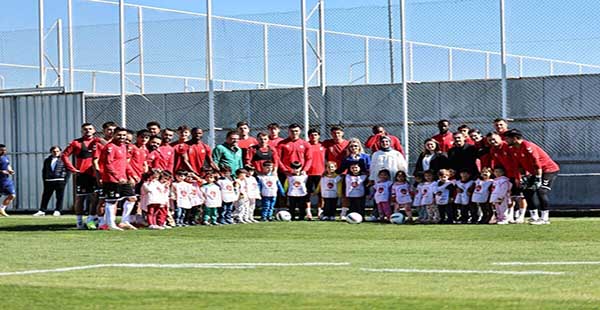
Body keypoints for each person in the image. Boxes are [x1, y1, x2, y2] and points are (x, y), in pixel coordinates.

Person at [504, 129, 560, 225]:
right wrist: (523, 176)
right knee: (527, 191)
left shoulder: (528, 146)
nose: (506, 141)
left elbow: (536, 163)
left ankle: (545, 218)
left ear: (514, 138)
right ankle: (534, 217)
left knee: (541, 190)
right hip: (534, 172)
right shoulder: (513, 149)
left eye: (508, 139)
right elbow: (519, 164)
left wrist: (538, 178)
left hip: (548, 170)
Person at [61, 123, 102, 229]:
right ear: (81, 131)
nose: (88, 131)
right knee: (80, 197)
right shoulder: (76, 143)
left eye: (90, 129)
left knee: (96, 197)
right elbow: (64, 155)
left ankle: (91, 219)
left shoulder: (99, 142)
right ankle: (79, 222)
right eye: (85, 129)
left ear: (94, 130)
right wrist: (72, 169)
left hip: (96, 174)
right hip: (82, 174)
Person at [97, 127, 137, 230]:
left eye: (124, 135)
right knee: (111, 201)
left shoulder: (123, 146)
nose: (122, 137)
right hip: (111, 180)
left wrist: (132, 174)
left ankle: (124, 221)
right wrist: (117, 177)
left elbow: (124, 163)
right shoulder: (110, 147)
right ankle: (111, 224)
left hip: (123, 178)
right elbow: (107, 164)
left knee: (132, 198)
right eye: (119, 135)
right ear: (114, 135)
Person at [486, 131, 527, 223]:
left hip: (517, 174)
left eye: (494, 139)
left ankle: (521, 216)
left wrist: (519, 176)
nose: (492, 142)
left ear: (500, 138)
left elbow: (518, 162)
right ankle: (510, 216)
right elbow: (497, 163)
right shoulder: (493, 149)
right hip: (507, 176)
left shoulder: (508, 147)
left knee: (520, 196)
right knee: (509, 197)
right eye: (490, 140)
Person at [34, 146, 68, 217]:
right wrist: (45, 180)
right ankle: (42, 210)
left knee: (59, 197)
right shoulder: (47, 160)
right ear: (51, 152)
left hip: (60, 180)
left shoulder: (64, 159)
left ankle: (58, 210)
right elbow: (44, 171)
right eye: (54, 151)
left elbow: (68, 170)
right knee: (46, 196)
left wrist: (64, 180)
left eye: (57, 151)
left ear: (60, 152)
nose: (56, 153)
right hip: (49, 180)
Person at [305, 128, 325, 220]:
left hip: (320, 173)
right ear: (309, 136)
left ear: (319, 136)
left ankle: (320, 211)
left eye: (316, 134)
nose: (314, 136)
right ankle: (308, 212)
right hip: (307, 173)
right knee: (307, 193)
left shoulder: (323, 146)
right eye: (311, 135)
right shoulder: (306, 145)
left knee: (321, 194)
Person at [0, 144, 16, 217]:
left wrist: (10, 170)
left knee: (12, 195)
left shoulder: (5, 157)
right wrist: (1, 171)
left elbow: (8, 165)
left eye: (4, 150)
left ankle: (2, 209)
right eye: (1, 150)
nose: (3, 151)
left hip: (6, 180)